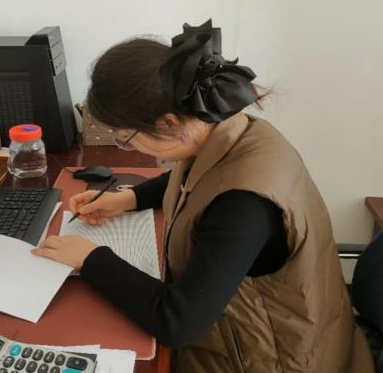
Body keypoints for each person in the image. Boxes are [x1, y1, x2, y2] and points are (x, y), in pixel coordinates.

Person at [32, 20, 355, 373]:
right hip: (274, 328)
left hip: (272, 358)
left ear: (169, 123)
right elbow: (201, 177)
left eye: (126, 139)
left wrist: (90, 258)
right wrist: (128, 199)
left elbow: (178, 322)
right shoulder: (231, 130)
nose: (130, 149)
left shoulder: (242, 206)